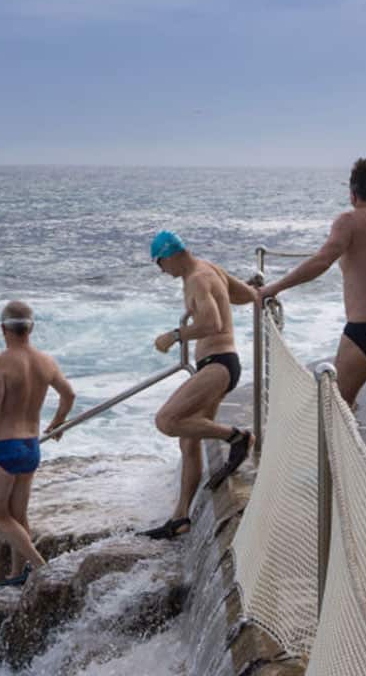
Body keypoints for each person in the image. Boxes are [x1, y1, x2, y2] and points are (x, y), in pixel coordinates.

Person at [259, 158, 366, 480]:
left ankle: (333, 477)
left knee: (335, 407)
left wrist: (273, 287)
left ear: (353, 193)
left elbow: (321, 261)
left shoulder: (349, 222)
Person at [141, 230, 257, 540]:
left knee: (167, 421)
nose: (162, 272)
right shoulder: (210, 269)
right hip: (220, 363)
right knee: (188, 439)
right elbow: (244, 294)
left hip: (217, 365)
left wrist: (174, 335)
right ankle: (180, 518)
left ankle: (238, 438)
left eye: (159, 264)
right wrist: (262, 291)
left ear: (169, 255)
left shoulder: (196, 279)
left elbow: (212, 323)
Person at [0, 301, 76, 588]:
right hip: (30, 446)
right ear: (31, 328)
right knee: (17, 515)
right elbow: (69, 395)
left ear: (3, 329)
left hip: (3, 448)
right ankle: (17, 574)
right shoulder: (46, 362)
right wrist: (57, 424)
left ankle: (40, 565)